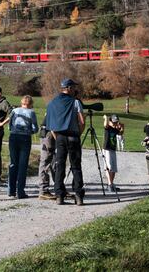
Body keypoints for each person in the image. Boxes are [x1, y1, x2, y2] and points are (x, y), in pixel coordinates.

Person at [45, 78, 85, 206]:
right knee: (76, 166)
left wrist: (57, 138)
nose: (74, 90)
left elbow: (50, 126)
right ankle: (78, 196)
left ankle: (59, 196)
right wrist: (78, 134)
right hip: (73, 136)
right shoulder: (75, 102)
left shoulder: (52, 103)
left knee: (60, 165)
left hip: (60, 137)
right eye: (73, 88)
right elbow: (82, 122)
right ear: (68, 88)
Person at [0, 95, 38, 199]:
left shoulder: (15, 111)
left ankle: (11, 190)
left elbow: (10, 125)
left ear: (22, 102)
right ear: (30, 103)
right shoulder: (31, 112)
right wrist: (31, 131)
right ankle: (20, 191)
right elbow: (35, 128)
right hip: (25, 138)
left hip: (13, 137)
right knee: (22, 165)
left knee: (13, 163)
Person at [37, 113, 56, 200]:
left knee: (51, 161)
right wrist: (58, 140)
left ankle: (57, 187)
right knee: (45, 162)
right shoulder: (55, 106)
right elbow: (52, 126)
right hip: (48, 135)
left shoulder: (53, 105)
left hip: (47, 134)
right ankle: (43, 191)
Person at [102, 114, 120, 192]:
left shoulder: (114, 128)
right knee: (108, 167)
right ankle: (109, 184)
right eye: (114, 122)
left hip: (113, 149)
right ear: (110, 121)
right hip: (107, 149)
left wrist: (121, 126)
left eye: (116, 122)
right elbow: (105, 125)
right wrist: (106, 118)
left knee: (114, 168)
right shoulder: (108, 128)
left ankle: (111, 184)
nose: (115, 123)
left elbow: (121, 133)